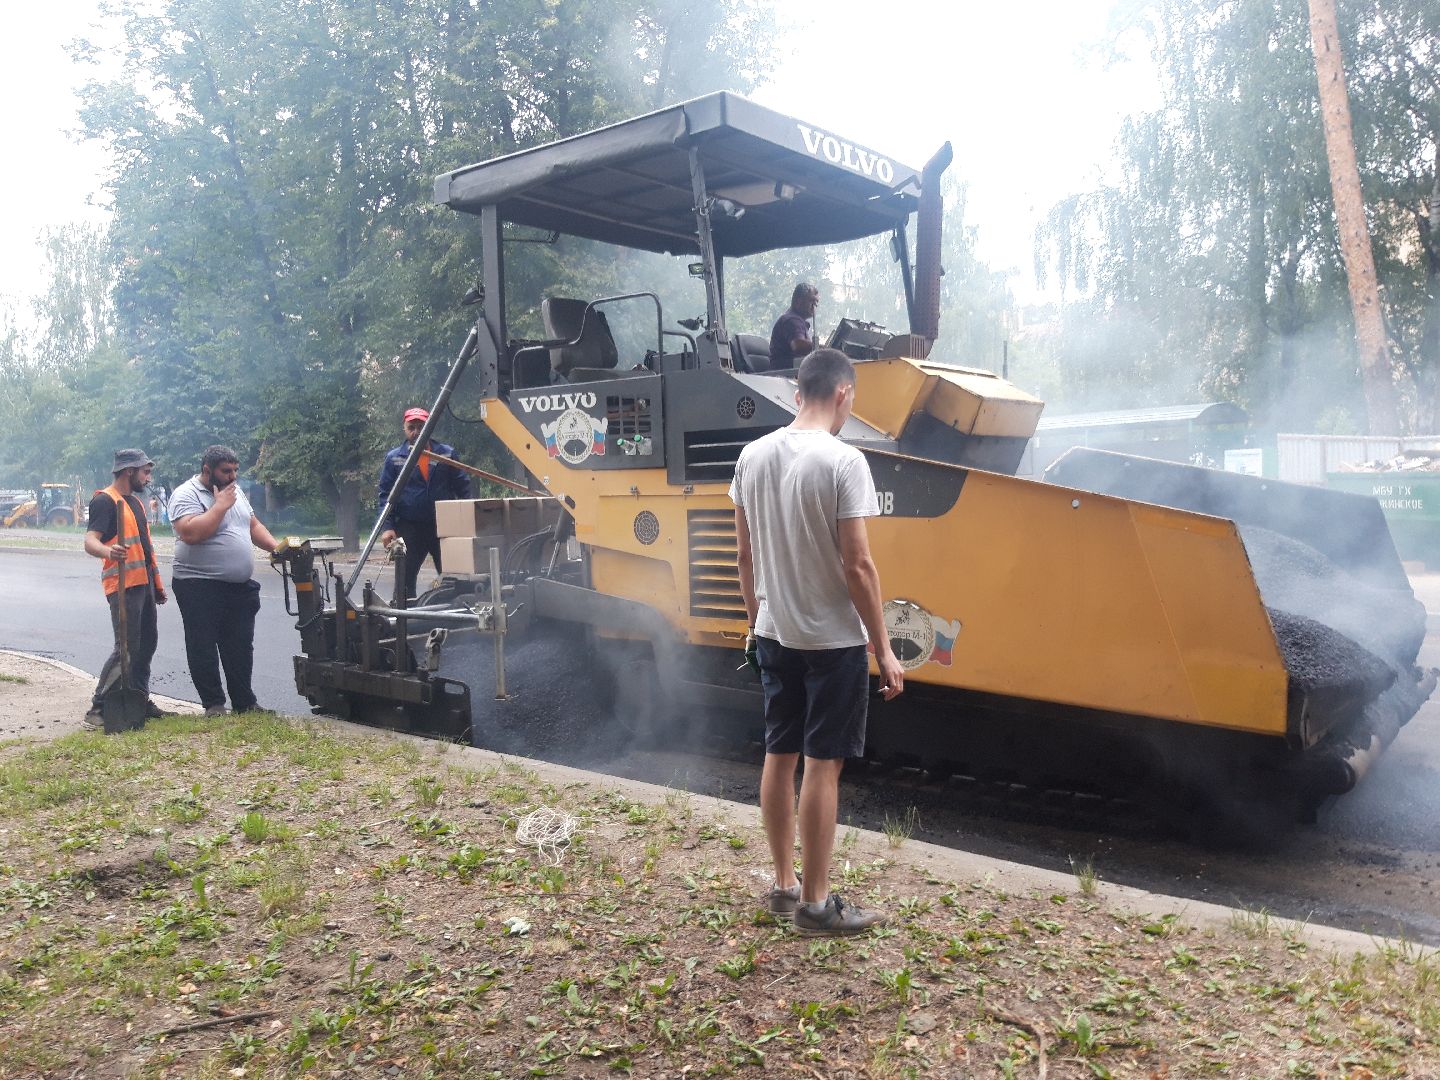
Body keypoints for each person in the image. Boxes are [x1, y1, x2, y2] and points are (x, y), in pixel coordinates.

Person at [730, 347, 906, 936]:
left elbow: (744, 556)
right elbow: (858, 565)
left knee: (779, 755)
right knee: (822, 767)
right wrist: (884, 649)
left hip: (776, 632)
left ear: (797, 391)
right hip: (831, 641)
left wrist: (759, 621)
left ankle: (783, 887)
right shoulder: (844, 460)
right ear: (843, 395)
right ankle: (816, 903)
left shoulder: (752, 456)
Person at [168, 446, 279, 717]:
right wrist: (219, 507)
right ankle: (214, 704)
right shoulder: (186, 494)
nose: (232, 476)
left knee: (240, 645)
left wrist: (276, 549)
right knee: (203, 644)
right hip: (198, 583)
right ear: (207, 470)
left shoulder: (235, 492)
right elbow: (191, 533)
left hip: (238, 587)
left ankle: (245, 702)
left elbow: (253, 525)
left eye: (235, 471)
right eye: (226, 471)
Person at [82, 449, 171, 727]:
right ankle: (98, 708)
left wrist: (155, 586)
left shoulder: (134, 503)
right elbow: (90, 541)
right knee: (126, 648)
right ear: (129, 471)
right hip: (122, 586)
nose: (148, 477)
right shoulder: (105, 501)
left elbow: (145, 549)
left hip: (142, 585)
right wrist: (109, 551)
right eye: (145, 471)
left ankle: (139, 699)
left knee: (146, 644)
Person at [377, 407, 472, 600]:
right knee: (404, 580)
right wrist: (387, 527)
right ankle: (405, 621)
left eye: (421, 427)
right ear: (404, 429)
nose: (416, 432)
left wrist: (468, 523)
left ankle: (454, 617)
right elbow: (385, 495)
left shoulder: (447, 454)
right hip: (409, 527)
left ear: (429, 428)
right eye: (411, 427)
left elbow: (463, 489)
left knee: (454, 578)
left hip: (444, 527)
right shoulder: (394, 458)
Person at [768, 282, 820, 368]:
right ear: (798, 301)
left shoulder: (798, 321)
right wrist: (826, 350)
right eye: (812, 300)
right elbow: (798, 346)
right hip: (784, 375)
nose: (815, 305)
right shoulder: (792, 320)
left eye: (816, 302)